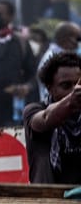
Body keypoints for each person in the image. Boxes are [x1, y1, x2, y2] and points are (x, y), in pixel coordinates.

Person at [24, 50, 81, 186]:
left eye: (77, 84)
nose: (74, 90)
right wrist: (70, 101)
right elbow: (45, 119)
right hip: (50, 198)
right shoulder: (34, 110)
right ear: (50, 89)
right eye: (66, 86)